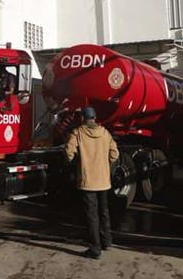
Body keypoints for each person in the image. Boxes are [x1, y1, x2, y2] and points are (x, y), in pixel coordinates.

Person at [64, 106, 120, 259]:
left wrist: (76, 162)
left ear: (83, 118)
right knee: (104, 211)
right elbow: (115, 154)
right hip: (103, 180)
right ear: (94, 118)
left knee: (91, 215)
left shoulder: (78, 133)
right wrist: (105, 164)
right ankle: (107, 241)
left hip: (88, 181)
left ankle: (95, 249)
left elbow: (69, 152)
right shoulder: (105, 133)